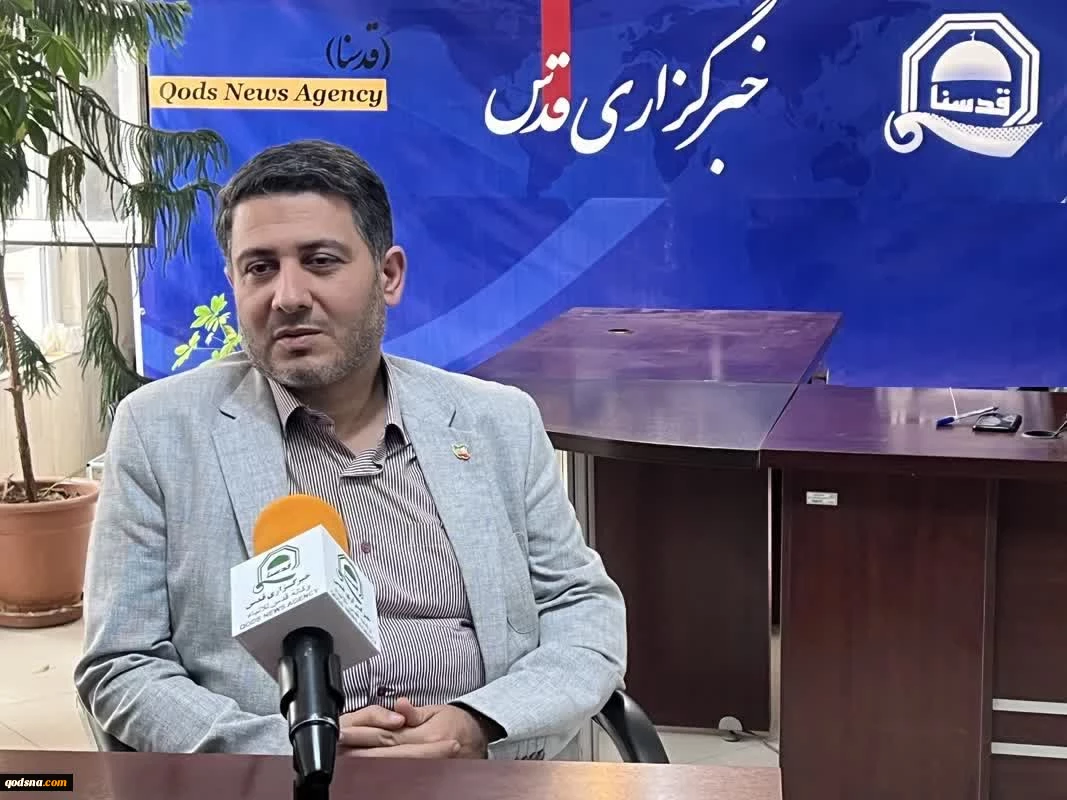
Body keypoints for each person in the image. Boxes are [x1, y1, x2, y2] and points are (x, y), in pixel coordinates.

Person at [74, 139, 627, 761]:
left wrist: (480, 722)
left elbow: (582, 609)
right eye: (259, 268)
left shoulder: (497, 422)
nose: (287, 296)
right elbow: (122, 663)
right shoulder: (160, 431)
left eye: (320, 261)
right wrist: (281, 747)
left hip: (486, 775)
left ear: (388, 276)